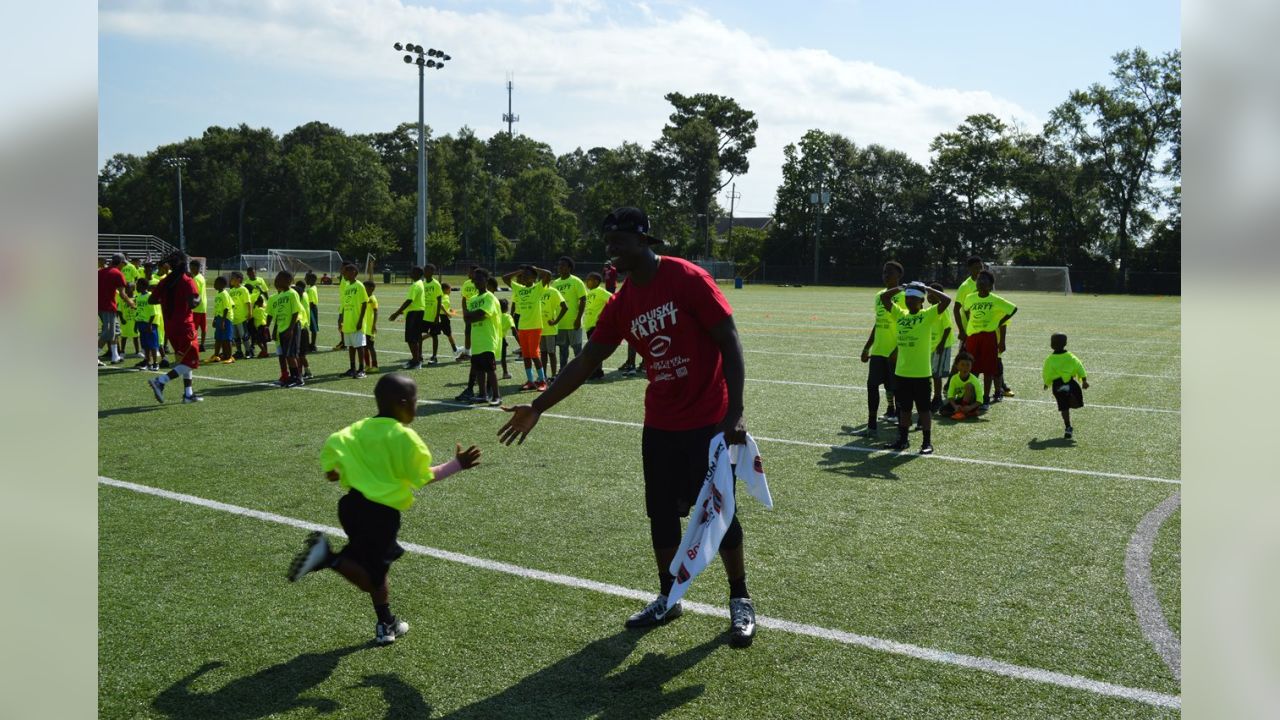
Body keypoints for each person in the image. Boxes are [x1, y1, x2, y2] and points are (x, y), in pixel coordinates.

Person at [498, 207, 758, 647]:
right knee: (660, 513)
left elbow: (729, 339)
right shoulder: (622, 303)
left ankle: (740, 598)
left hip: (707, 419)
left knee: (719, 510)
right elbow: (586, 360)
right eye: (608, 243)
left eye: (618, 241)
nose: (610, 251)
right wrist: (539, 406)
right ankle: (669, 595)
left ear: (642, 241)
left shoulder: (687, 278)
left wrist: (734, 412)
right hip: (660, 422)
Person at [286, 373, 482, 645]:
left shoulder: (358, 428)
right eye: (415, 400)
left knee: (377, 568)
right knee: (371, 577)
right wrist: (457, 465)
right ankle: (326, 557)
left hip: (351, 507)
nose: (416, 405)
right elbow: (424, 477)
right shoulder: (404, 437)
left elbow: (333, 453)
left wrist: (334, 471)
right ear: (403, 403)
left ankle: (386, 622)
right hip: (379, 515)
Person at [881, 282, 952, 454]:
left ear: (921, 301)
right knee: (904, 409)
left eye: (913, 298)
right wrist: (901, 288)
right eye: (907, 298)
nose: (909, 301)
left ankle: (927, 443)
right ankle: (903, 440)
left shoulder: (927, 315)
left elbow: (947, 300)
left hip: (921, 373)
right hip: (902, 372)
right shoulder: (901, 314)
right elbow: (885, 297)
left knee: (923, 410)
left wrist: (928, 289)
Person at [954, 270, 1017, 411]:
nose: (980, 282)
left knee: (988, 370)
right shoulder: (970, 298)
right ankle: (974, 396)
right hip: (973, 337)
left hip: (988, 337)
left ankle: (986, 398)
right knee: (972, 368)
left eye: (984, 281)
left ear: (990, 285)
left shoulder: (995, 299)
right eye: (979, 280)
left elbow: (1013, 309)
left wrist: (999, 322)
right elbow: (966, 310)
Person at [146, 251, 204, 404]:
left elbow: (152, 300)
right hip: (185, 326)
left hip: (170, 327)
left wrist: (167, 301)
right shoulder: (186, 280)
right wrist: (197, 299)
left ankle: (188, 394)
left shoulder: (165, 281)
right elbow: (192, 303)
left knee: (185, 360)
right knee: (192, 360)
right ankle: (161, 381)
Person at [858, 261, 905, 436]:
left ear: (899, 276)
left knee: (897, 389)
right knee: (872, 386)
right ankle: (871, 426)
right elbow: (878, 323)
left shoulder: (904, 296)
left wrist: (898, 349)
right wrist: (866, 347)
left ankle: (902, 427)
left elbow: (907, 324)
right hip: (878, 351)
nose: (885, 276)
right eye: (884, 272)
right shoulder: (879, 296)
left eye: (890, 273)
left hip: (895, 352)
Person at [502, 265, 553, 391]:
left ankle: (542, 381)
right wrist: (519, 271)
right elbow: (505, 278)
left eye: (527, 275)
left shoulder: (538, 288)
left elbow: (548, 274)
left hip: (535, 326)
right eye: (523, 275)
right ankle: (530, 381)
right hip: (522, 327)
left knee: (535, 355)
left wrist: (535, 269)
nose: (524, 277)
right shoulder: (519, 288)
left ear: (534, 277)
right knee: (526, 356)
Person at [462, 268, 503, 406]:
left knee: (490, 369)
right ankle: (482, 394)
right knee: (479, 369)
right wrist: (471, 316)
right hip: (477, 339)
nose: (477, 282)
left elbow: (483, 314)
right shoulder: (473, 299)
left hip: (488, 339)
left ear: (486, 280)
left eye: (480, 279)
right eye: (475, 280)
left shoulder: (489, 296)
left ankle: (497, 396)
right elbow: (466, 318)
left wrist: (470, 316)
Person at [1043, 333, 1089, 439]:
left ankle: (1068, 427)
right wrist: (1084, 380)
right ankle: (1070, 396)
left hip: (1057, 385)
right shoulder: (1071, 357)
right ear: (1065, 343)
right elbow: (1079, 366)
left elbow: (1047, 372)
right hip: (1070, 383)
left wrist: (1046, 383)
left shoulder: (1049, 359)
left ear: (1051, 345)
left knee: (1064, 407)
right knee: (1076, 403)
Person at [266, 271, 305, 387]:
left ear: (288, 281)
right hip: (282, 329)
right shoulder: (280, 295)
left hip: (291, 328)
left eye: (279, 278)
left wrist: (290, 329)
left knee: (291, 354)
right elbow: (277, 315)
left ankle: (298, 378)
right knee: (286, 355)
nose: (276, 281)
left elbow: (295, 312)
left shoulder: (292, 294)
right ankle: (292, 377)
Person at [552, 256, 588, 372]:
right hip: (560, 324)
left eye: (563, 265)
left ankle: (580, 371)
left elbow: (583, 300)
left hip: (574, 322)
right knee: (563, 350)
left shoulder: (576, 281)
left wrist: (578, 319)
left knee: (577, 349)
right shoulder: (555, 283)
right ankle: (563, 371)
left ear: (569, 268)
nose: (560, 267)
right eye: (559, 265)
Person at [98, 253, 135, 365]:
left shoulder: (100, 271)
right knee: (109, 332)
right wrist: (131, 303)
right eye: (123, 264)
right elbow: (123, 294)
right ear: (120, 263)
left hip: (101, 305)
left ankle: (115, 356)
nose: (124, 266)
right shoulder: (117, 274)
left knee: (115, 331)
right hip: (108, 306)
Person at [387, 266, 427, 370]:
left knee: (411, 338)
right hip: (417, 312)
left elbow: (409, 300)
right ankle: (416, 359)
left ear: (418, 274)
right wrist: (401, 312)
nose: (410, 273)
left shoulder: (415, 285)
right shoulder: (420, 283)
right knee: (415, 337)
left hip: (414, 314)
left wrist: (396, 313)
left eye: (413, 271)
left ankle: (416, 361)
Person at [337, 263, 370, 378]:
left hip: (356, 321)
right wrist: (341, 318)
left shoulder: (359, 285)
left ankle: (362, 369)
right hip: (347, 321)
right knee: (350, 346)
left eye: (346, 271)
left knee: (359, 346)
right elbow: (344, 304)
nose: (344, 273)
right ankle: (352, 368)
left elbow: (364, 303)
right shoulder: (346, 287)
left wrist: (360, 320)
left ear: (354, 273)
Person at [927, 282, 953, 411]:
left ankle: (937, 398)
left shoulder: (943, 309)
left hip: (941, 346)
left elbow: (948, 328)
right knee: (932, 373)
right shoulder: (929, 310)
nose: (929, 297)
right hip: (931, 346)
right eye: (928, 294)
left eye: (932, 294)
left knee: (936, 374)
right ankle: (934, 397)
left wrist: (941, 344)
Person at [583, 271, 613, 380]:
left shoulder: (600, 291)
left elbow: (614, 299)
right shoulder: (589, 293)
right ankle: (595, 371)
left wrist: (604, 314)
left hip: (596, 326)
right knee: (592, 351)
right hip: (589, 326)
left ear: (596, 281)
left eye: (589, 280)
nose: (587, 282)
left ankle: (597, 372)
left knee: (595, 351)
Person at [938, 352, 984, 419]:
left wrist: (970, 407)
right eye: (962, 365)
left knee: (968, 386)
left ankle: (962, 413)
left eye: (968, 365)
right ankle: (967, 413)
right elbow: (950, 396)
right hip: (961, 401)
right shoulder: (954, 378)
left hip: (972, 404)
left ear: (971, 366)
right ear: (957, 366)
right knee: (942, 411)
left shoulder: (974, 380)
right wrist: (955, 406)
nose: (965, 368)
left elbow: (980, 400)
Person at [538, 277, 568, 380]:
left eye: (546, 278)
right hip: (539, 328)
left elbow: (565, 307)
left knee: (551, 353)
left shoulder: (553, 291)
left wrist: (556, 321)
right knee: (543, 353)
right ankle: (543, 376)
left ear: (549, 280)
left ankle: (554, 375)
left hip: (550, 329)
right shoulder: (537, 291)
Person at [952, 255, 984, 351]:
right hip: (969, 330)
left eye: (980, 267)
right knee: (965, 358)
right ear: (970, 269)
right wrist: (961, 330)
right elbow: (956, 309)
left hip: (984, 329)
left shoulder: (986, 283)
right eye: (976, 268)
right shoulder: (965, 286)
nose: (979, 270)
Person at [422, 265, 445, 363]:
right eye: (425, 270)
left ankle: (434, 356)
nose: (425, 272)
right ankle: (419, 356)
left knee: (434, 336)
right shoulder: (422, 284)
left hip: (433, 315)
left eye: (427, 270)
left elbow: (439, 301)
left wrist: (437, 316)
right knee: (419, 336)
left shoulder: (436, 284)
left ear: (432, 272)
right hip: (423, 315)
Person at [135, 279, 160, 370]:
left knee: (152, 344)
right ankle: (147, 362)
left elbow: (154, 313)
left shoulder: (150, 296)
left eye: (138, 285)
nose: (136, 287)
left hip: (149, 324)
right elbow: (138, 312)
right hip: (141, 323)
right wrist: (136, 324)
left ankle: (155, 363)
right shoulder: (138, 297)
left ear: (143, 286)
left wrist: (149, 324)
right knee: (145, 345)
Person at [208, 276, 234, 364]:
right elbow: (217, 308)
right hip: (219, 318)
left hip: (225, 319)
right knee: (218, 338)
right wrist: (215, 319)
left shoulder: (224, 294)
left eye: (216, 283)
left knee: (227, 339)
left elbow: (227, 308)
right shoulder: (218, 294)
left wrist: (223, 321)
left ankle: (230, 357)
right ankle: (216, 355)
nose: (214, 284)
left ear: (222, 285)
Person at [227, 272, 252, 359]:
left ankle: (249, 351)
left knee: (244, 336)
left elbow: (248, 302)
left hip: (242, 317)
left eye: (233, 278)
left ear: (239, 279)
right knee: (236, 337)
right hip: (234, 318)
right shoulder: (231, 290)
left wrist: (250, 312)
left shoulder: (243, 289)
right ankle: (239, 351)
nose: (231, 280)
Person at [293, 279, 313, 379]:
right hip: (304, 327)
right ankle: (306, 372)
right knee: (301, 354)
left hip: (301, 328)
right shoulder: (304, 295)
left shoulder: (299, 303)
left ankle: (301, 373)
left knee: (299, 354)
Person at [459, 266, 479, 361]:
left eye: (470, 272)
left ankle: (479, 352)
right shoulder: (466, 283)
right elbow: (464, 298)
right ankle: (467, 353)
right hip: (468, 313)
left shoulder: (480, 283)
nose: (468, 274)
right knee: (467, 332)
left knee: (478, 333)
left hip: (478, 312)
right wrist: (464, 311)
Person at [437, 283, 461, 360]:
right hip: (444, 318)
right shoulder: (445, 296)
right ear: (445, 290)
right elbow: (441, 305)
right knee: (449, 334)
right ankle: (455, 349)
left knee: (433, 333)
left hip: (440, 317)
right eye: (450, 289)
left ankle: (420, 339)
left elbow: (445, 305)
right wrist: (447, 313)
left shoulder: (442, 296)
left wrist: (450, 309)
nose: (450, 291)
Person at [190, 259, 208, 352]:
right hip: (203, 306)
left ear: (197, 268)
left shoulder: (195, 279)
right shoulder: (201, 277)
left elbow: (194, 293)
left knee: (194, 327)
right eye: (190, 267)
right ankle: (202, 345)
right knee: (203, 327)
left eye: (192, 267)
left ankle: (194, 344)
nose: (191, 269)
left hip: (197, 307)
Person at [363, 281, 380, 371]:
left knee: (370, 347)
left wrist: (374, 325)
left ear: (371, 289)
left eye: (365, 287)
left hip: (370, 327)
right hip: (364, 327)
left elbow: (376, 312)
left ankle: (375, 365)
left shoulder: (373, 299)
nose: (363, 289)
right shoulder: (365, 298)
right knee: (364, 347)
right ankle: (367, 365)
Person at [499, 298, 515, 380]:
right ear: (506, 308)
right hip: (502, 339)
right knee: (503, 358)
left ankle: (478, 376)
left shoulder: (495, 315)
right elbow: (514, 330)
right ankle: (505, 373)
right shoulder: (508, 317)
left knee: (488, 358)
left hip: (492, 339)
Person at [305, 272, 321, 352]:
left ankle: (313, 345)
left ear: (312, 279)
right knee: (312, 327)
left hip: (311, 309)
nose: (305, 280)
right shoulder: (314, 287)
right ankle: (312, 344)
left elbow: (311, 302)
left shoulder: (310, 290)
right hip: (313, 308)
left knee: (313, 327)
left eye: (307, 278)